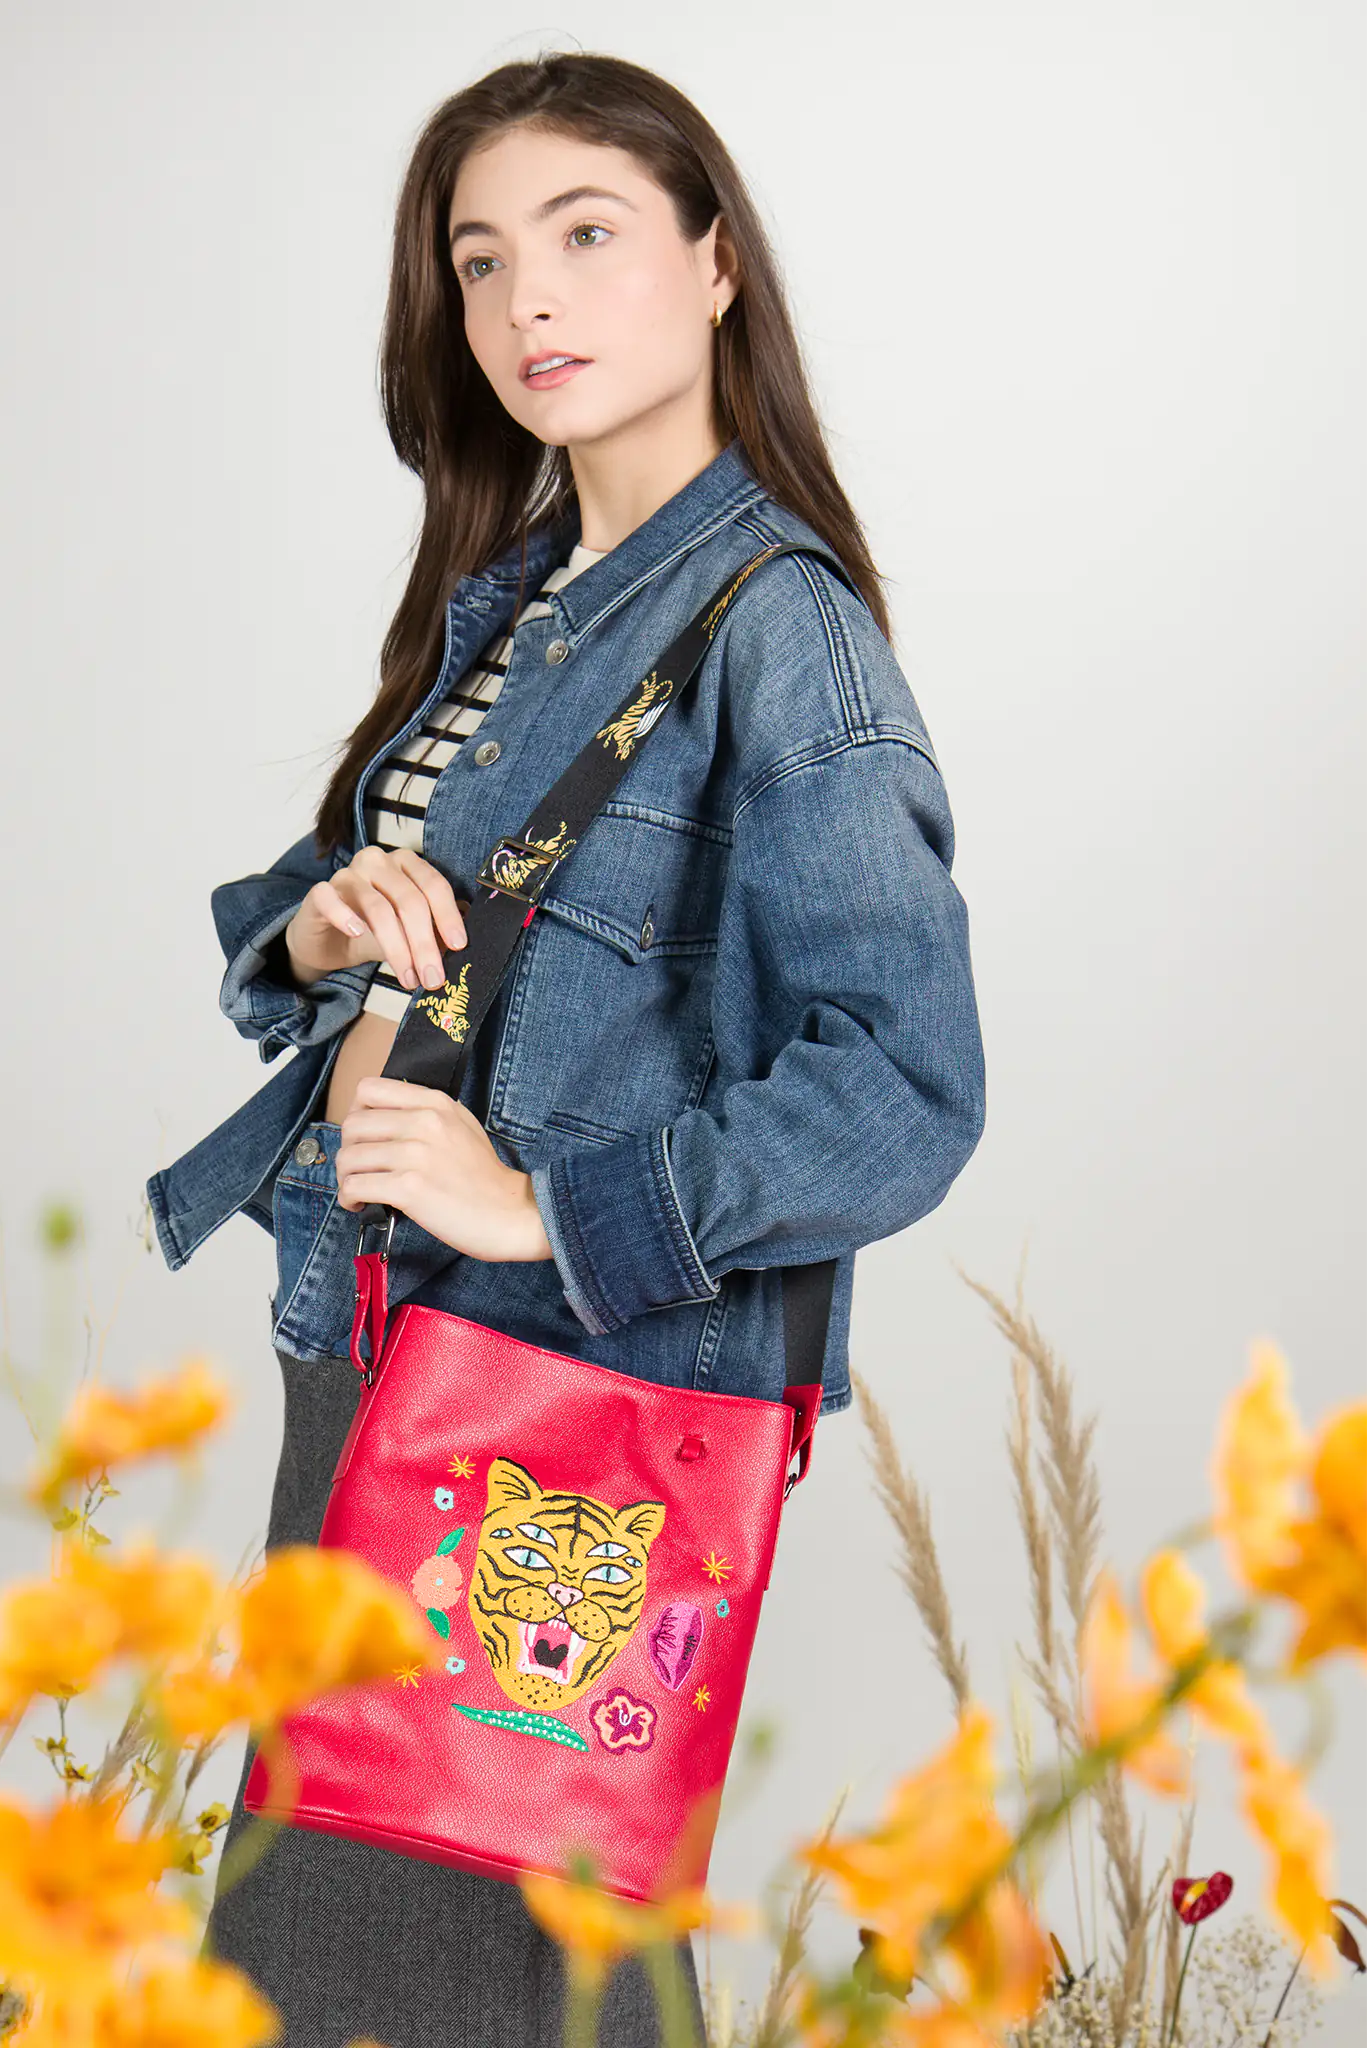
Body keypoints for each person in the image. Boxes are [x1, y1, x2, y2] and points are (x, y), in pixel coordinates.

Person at [145, 47, 987, 2048]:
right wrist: (327, 914)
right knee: (401, 1966)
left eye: (589, 235)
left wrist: (543, 1207)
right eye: (482, 257)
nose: (530, 298)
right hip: (371, 1343)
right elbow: (357, 914)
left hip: (550, 1412)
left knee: (448, 1979)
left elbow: (906, 1079)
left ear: (712, 265)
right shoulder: (517, 597)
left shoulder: (779, 630)